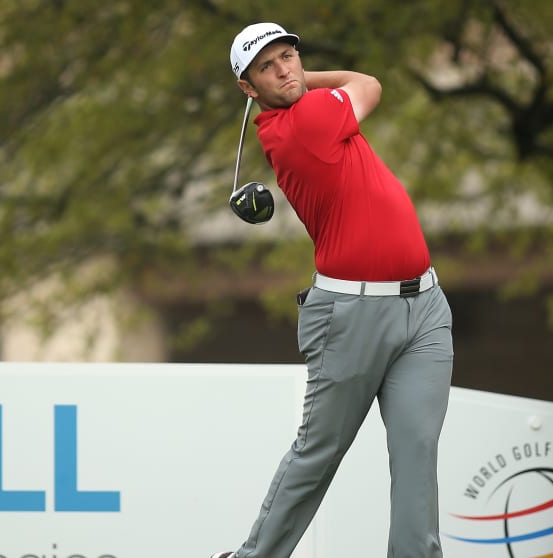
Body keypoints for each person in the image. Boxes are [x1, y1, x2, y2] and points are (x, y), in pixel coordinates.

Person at [210, 23, 454, 558]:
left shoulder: (304, 108)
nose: (284, 68)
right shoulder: (306, 121)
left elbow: (341, 87)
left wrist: (290, 80)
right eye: (267, 67)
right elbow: (368, 84)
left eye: (288, 56)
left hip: (426, 308)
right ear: (248, 88)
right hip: (352, 313)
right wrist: (304, 82)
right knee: (318, 452)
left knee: (417, 449)